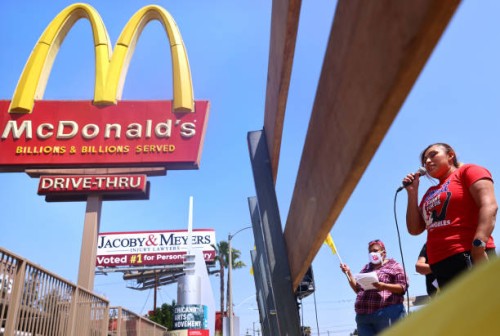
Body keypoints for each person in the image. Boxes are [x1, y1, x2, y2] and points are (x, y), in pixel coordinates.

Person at [403, 143, 497, 289]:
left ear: (450, 155)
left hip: (469, 256)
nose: (427, 161)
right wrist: (412, 192)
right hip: (440, 267)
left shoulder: (468, 171)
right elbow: (414, 229)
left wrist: (478, 247)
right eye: (424, 160)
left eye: (433, 154)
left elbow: (489, 205)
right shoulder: (429, 193)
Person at [340, 239, 408, 336]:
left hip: (387, 313)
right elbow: (358, 290)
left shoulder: (394, 266)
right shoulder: (366, 268)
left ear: (383, 253)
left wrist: (384, 286)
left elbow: (402, 286)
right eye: (370, 251)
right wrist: (349, 273)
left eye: (375, 251)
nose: (372, 254)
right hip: (364, 318)